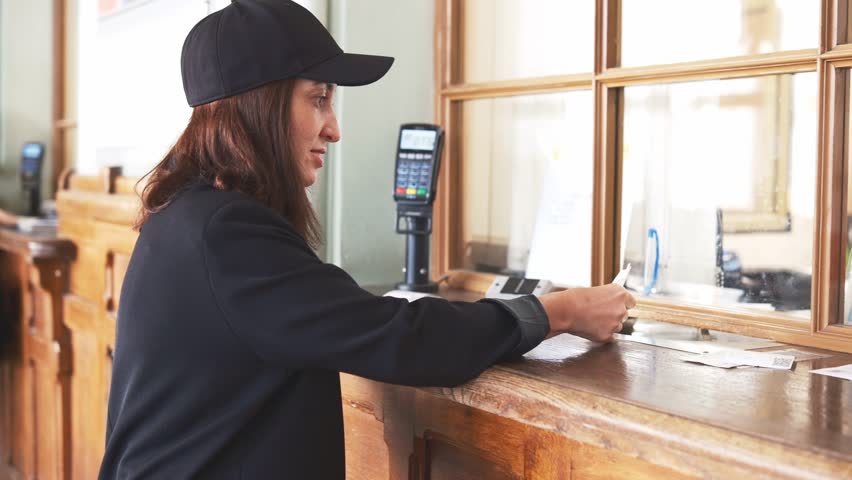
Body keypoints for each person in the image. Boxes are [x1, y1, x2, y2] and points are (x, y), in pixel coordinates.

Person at [98, 1, 636, 478]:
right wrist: (558, 312)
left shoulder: (184, 214)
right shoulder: (226, 233)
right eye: (318, 98)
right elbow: (401, 339)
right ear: (257, 106)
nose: (333, 127)